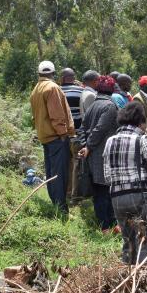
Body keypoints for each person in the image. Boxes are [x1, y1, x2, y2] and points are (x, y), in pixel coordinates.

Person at [103, 102, 147, 264]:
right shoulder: (142, 139)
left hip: (117, 197)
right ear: (140, 122)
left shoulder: (110, 141)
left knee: (128, 243)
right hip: (140, 195)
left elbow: (107, 177)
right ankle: (145, 283)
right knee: (145, 241)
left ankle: (127, 280)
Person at [30, 61, 76, 214]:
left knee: (51, 173)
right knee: (60, 174)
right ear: (53, 74)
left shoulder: (36, 89)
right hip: (56, 137)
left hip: (45, 136)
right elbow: (56, 115)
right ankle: (61, 208)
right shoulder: (52, 87)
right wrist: (63, 134)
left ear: (39, 74)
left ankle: (55, 205)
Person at [79, 75, 120, 233]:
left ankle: (106, 224)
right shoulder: (109, 106)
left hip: (94, 154)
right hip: (103, 155)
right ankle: (106, 225)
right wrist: (88, 146)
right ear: (112, 89)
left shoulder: (93, 105)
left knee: (99, 191)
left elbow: (82, 128)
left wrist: (85, 145)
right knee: (105, 191)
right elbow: (100, 129)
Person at [61, 68, 84, 200]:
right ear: (73, 78)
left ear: (62, 78)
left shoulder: (56, 90)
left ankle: (66, 191)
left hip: (61, 134)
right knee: (77, 163)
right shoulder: (81, 91)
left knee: (65, 163)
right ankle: (75, 195)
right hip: (77, 133)